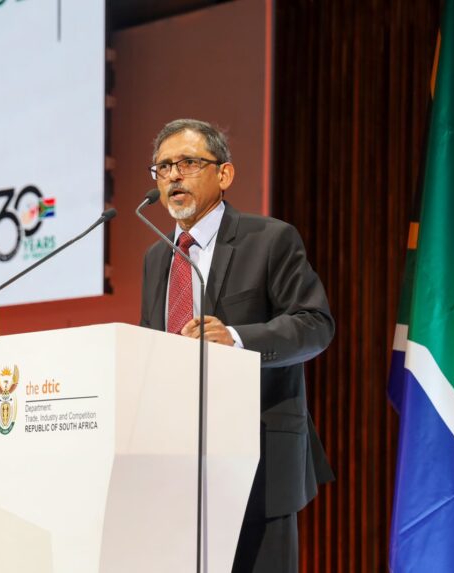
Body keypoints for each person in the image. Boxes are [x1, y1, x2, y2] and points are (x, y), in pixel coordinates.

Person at [139, 119, 335, 573]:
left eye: (188, 163)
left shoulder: (269, 239)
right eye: (163, 167)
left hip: (257, 464)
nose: (173, 176)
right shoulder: (156, 257)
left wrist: (238, 338)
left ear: (224, 175)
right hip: (175, 468)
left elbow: (315, 324)